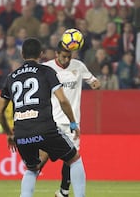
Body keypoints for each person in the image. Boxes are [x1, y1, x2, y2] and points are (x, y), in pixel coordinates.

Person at [0, 38, 86, 197]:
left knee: (32, 169)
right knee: (74, 159)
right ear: (41, 54)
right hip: (45, 128)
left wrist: (9, 133)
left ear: (22, 54)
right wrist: (72, 122)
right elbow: (63, 100)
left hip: (21, 133)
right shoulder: (46, 71)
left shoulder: (12, 77)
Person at [43, 41, 100, 197]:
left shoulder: (78, 66)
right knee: (41, 158)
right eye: (63, 57)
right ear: (56, 54)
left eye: (69, 57)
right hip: (51, 120)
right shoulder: (47, 68)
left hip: (72, 122)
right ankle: (28, 186)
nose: (67, 60)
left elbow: (92, 79)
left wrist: (95, 83)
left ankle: (64, 191)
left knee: (72, 158)